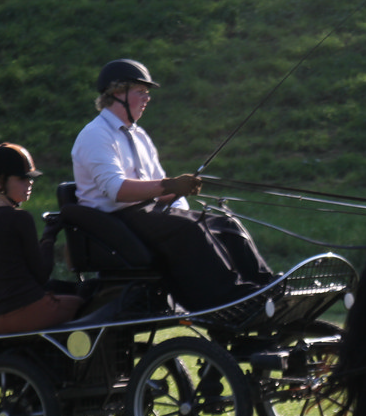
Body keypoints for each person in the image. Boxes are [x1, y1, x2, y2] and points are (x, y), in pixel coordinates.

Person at [71, 58, 273, 311]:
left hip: (146, 213)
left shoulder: (139, 135)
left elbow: (161, 188)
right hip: (115, 221)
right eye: (141, 91)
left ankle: (266, 288)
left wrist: (179, 197)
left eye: (147, 93)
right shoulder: (96, 134)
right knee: (191, 229)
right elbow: (117, 190)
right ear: (116, 93)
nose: (147, 98)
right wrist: (170, 187)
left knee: (226, 224)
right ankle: (230, 301)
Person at [0, 143, 83, 334]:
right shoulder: (19, 218)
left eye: (30, 179)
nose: (29, 183)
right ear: (0, 182)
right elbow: (42, 274)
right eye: (22, 179)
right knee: (90, 302)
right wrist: (49, 235)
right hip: (30, 312)